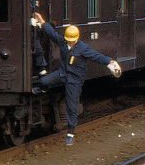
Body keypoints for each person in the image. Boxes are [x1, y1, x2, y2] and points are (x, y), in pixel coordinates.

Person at [33, 12, 122, 146]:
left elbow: (96, 56)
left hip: (75, 79)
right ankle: (42, 88)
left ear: (76, 39)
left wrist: (110, 62)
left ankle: (70, 133)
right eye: (68, 39)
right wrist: (43, 22)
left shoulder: (83, 48)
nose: (69, 41)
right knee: (44, 81)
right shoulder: (62, 41)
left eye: (71, 40)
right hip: (63, 73)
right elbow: (52, 34)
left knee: (71, 106)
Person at [29, 0, 48, 76]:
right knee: (36, 48)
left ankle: (41, 68)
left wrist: (38, 21)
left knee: (38, 48)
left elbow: (35, 11)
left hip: (34, 28)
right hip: (26, 29)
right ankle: (40, 68)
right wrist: (28, 21)